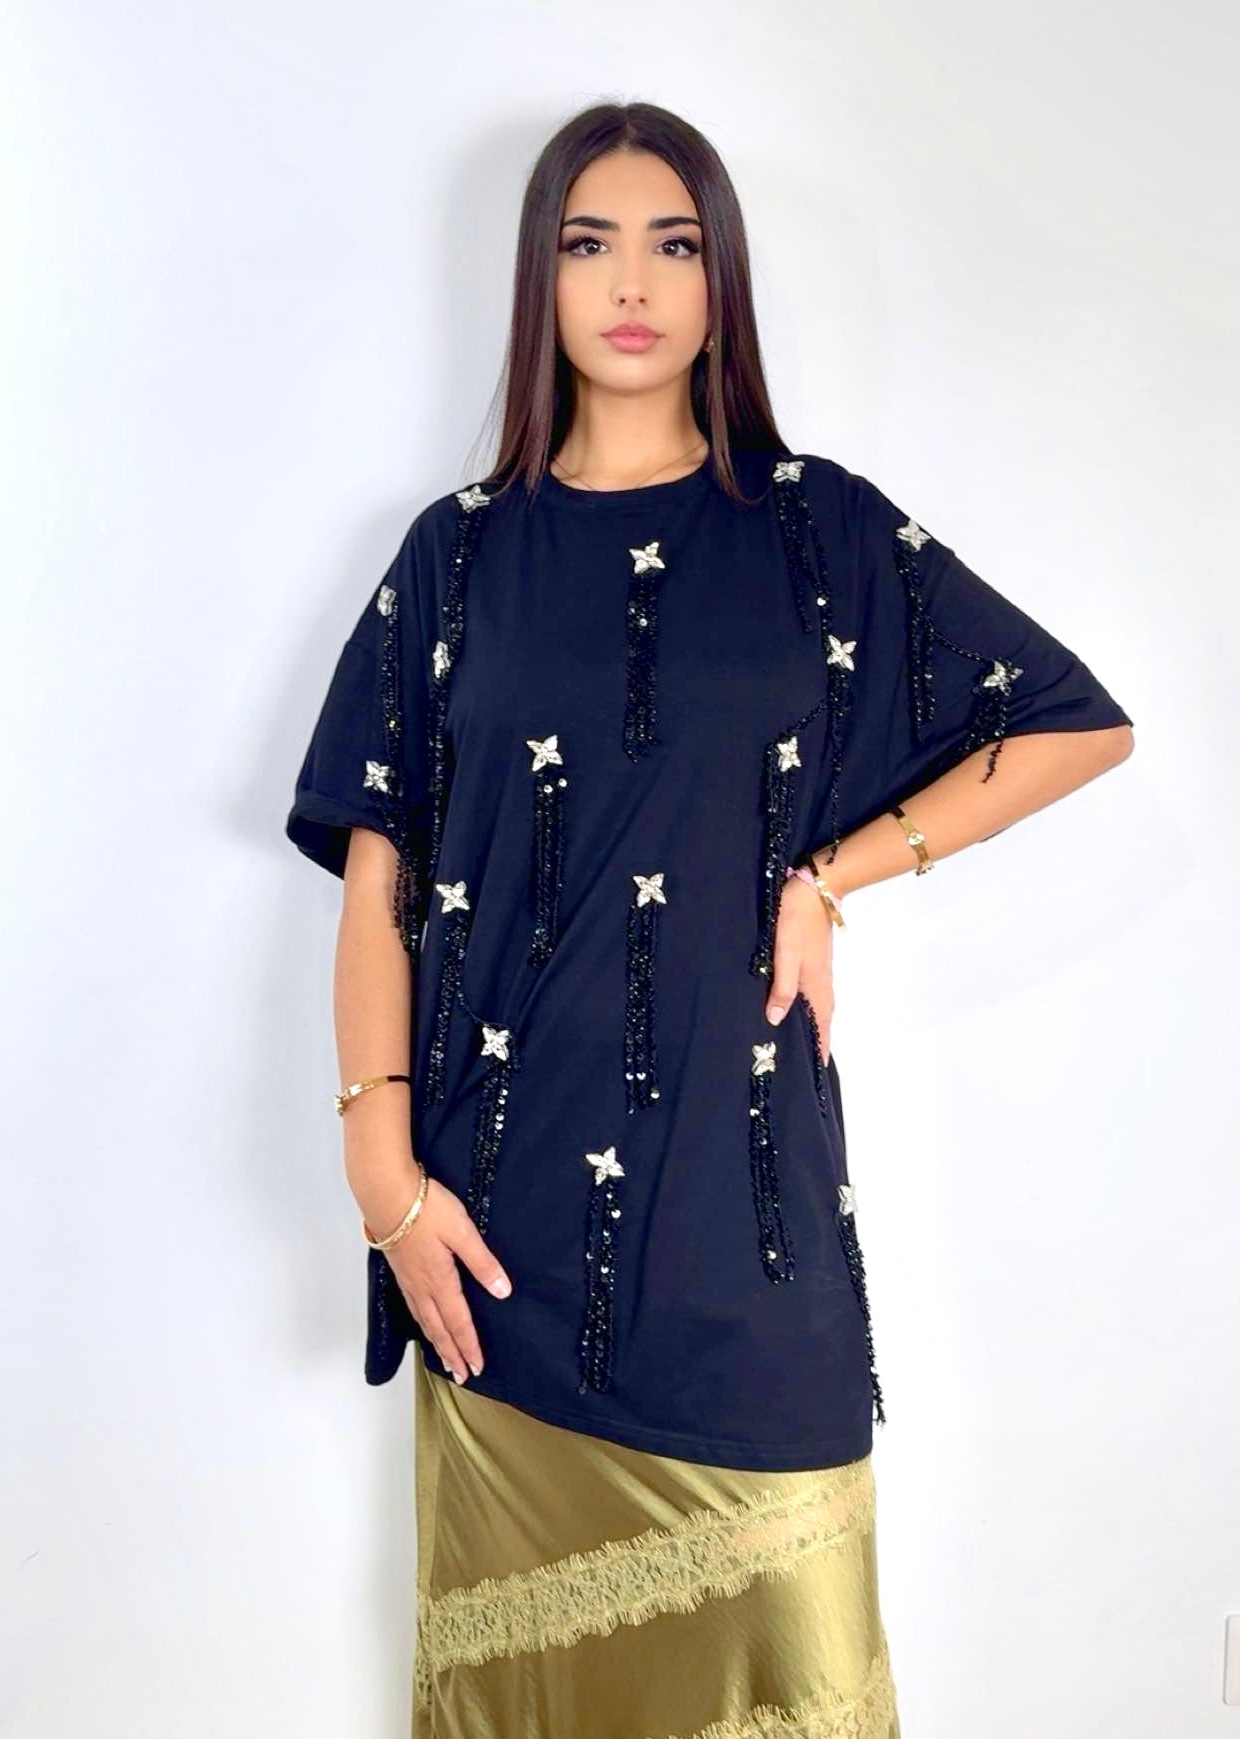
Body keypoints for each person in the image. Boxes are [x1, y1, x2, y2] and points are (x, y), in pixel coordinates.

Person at [284, 100, 1134, 1739]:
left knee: (792, 1686)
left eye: (672, 244)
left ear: (718, 277)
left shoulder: (818, 532)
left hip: (750, 1242)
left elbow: (1072, 722)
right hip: (501, 1247)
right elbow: (380, 876)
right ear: (536, 280)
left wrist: (835, 874)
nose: (631, 283)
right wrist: (381, 1176)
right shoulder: (455, 559)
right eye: (586, 243)